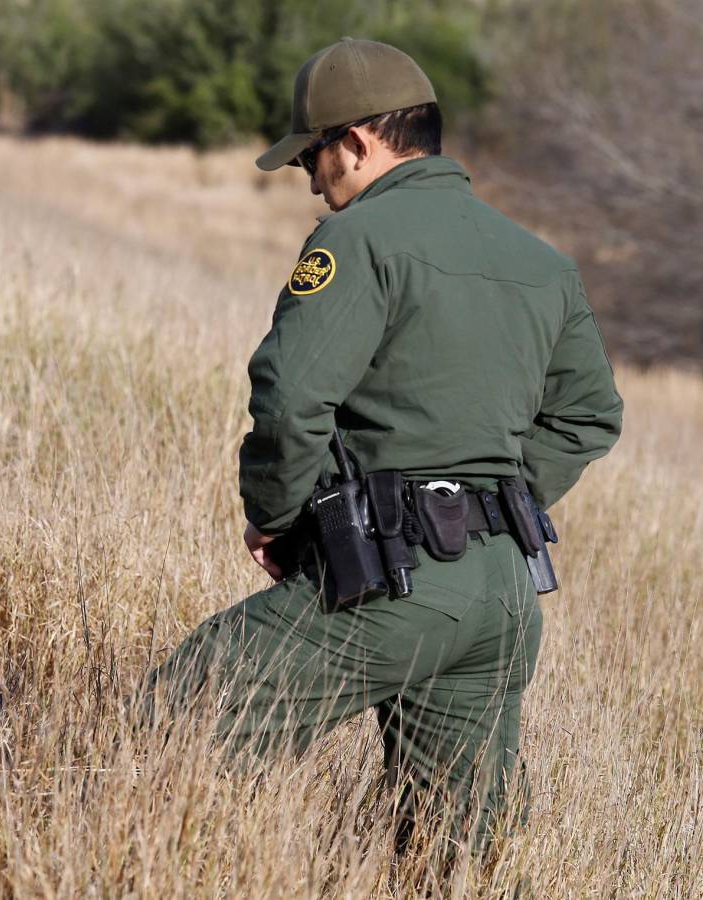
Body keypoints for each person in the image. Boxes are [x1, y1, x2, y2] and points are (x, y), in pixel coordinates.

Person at [144, 39, 623, 849]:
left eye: (312, 158)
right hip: (504, 596)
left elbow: (292, 400)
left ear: (359, 141)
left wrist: (278, 517)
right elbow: (588, 416)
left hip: (390, 579)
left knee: (171, 729)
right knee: (457, 855)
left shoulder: (356, 241)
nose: (310, 183)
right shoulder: (541, 264)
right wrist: (490, 507)